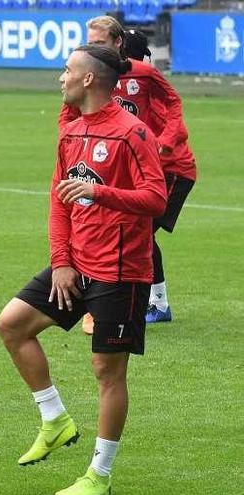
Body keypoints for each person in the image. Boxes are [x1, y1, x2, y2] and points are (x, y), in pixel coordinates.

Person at [0, 44, 166, 495]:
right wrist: (61, 263)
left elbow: (156, 199)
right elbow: (58, 201)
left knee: (107, 371)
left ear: (88, 79)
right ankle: (54, 419)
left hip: (121, 270)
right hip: (77, 265)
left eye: (67, 70)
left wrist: (102, 192)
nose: (61, 78)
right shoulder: (70, 131)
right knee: (12, 325)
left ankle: (99, 476)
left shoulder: (133, 133)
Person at [60, 18, 197, 332]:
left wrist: (162, 144)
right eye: (89, 43)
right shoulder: (91, 86)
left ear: (117, 43)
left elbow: (176, 116)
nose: (91, 48)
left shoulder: (143, 80)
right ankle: (131, 301)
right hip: (127, 169)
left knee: (136, 230)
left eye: (99, 43)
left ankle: (142, 302)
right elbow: (67, 118)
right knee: (121, 227)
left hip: (171, 168)